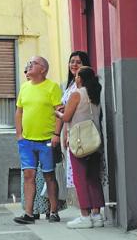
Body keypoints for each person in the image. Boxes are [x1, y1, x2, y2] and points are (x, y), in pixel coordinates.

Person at [13, 56, 63, 224]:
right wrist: (19, 134)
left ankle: (54, 210)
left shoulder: (52, 87)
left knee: (49, 175)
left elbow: (59, 112)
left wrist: (56, 134)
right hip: (27, 141)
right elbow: (19, 111)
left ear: (43, 69)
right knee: (29, 174)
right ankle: (28, 213)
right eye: (29, 63)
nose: (29, 65)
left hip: (46, 140)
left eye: (33, 63)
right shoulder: (24, 87)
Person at [55, 66, 105, 229]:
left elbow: (67, 117)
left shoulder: (76, 94)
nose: (75, 78)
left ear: (81, 79)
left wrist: (58, 113)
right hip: (95, 140)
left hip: (79, 141)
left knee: (80, 178)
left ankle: (85, 216)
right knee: (93, 178)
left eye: (77, 76)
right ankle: (97, 215)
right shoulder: (95, 94)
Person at [60, 51, 91, 190]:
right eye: (72, 61)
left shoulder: (84, 86)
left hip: (82, 131)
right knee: (77, 173)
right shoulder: (71, 84)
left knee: (85, 173)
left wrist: (60, 113)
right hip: (70, 130)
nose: (74, 65)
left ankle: (92, 210)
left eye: (78, 62)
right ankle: (87, 209)